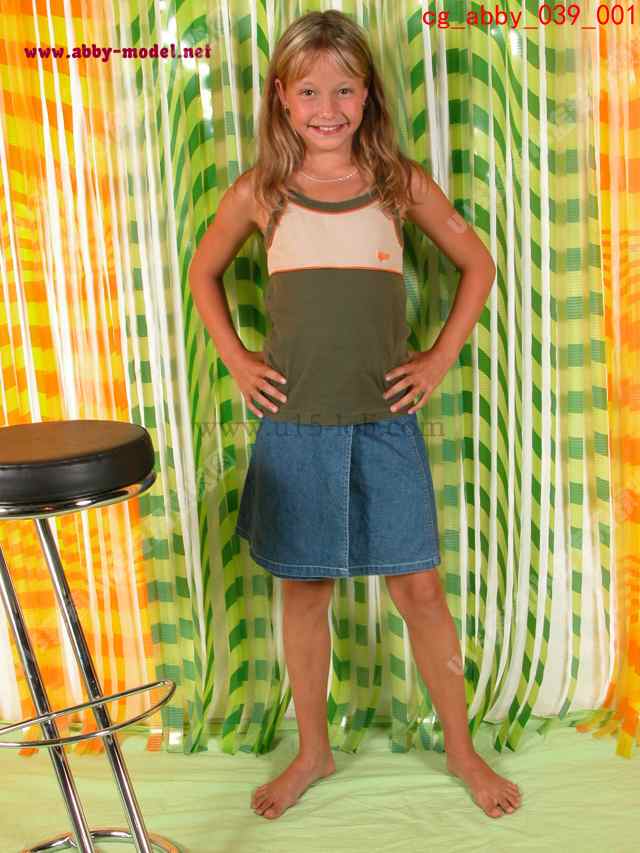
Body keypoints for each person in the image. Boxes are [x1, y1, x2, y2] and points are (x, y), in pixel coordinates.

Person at [189, 9, 522, 822]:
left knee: (421, 590)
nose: (327, 107)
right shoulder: (261, 192)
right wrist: (237, 359)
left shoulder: (399, 182)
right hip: (295, 426)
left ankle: (461, 748)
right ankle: (313, 749)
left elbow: (476, 263)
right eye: (309, 91)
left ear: (369, 95)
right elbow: (203, 272)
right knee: (305, 594)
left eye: (344, 89)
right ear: (281, 97)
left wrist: (437, 358)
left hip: (386, 425)